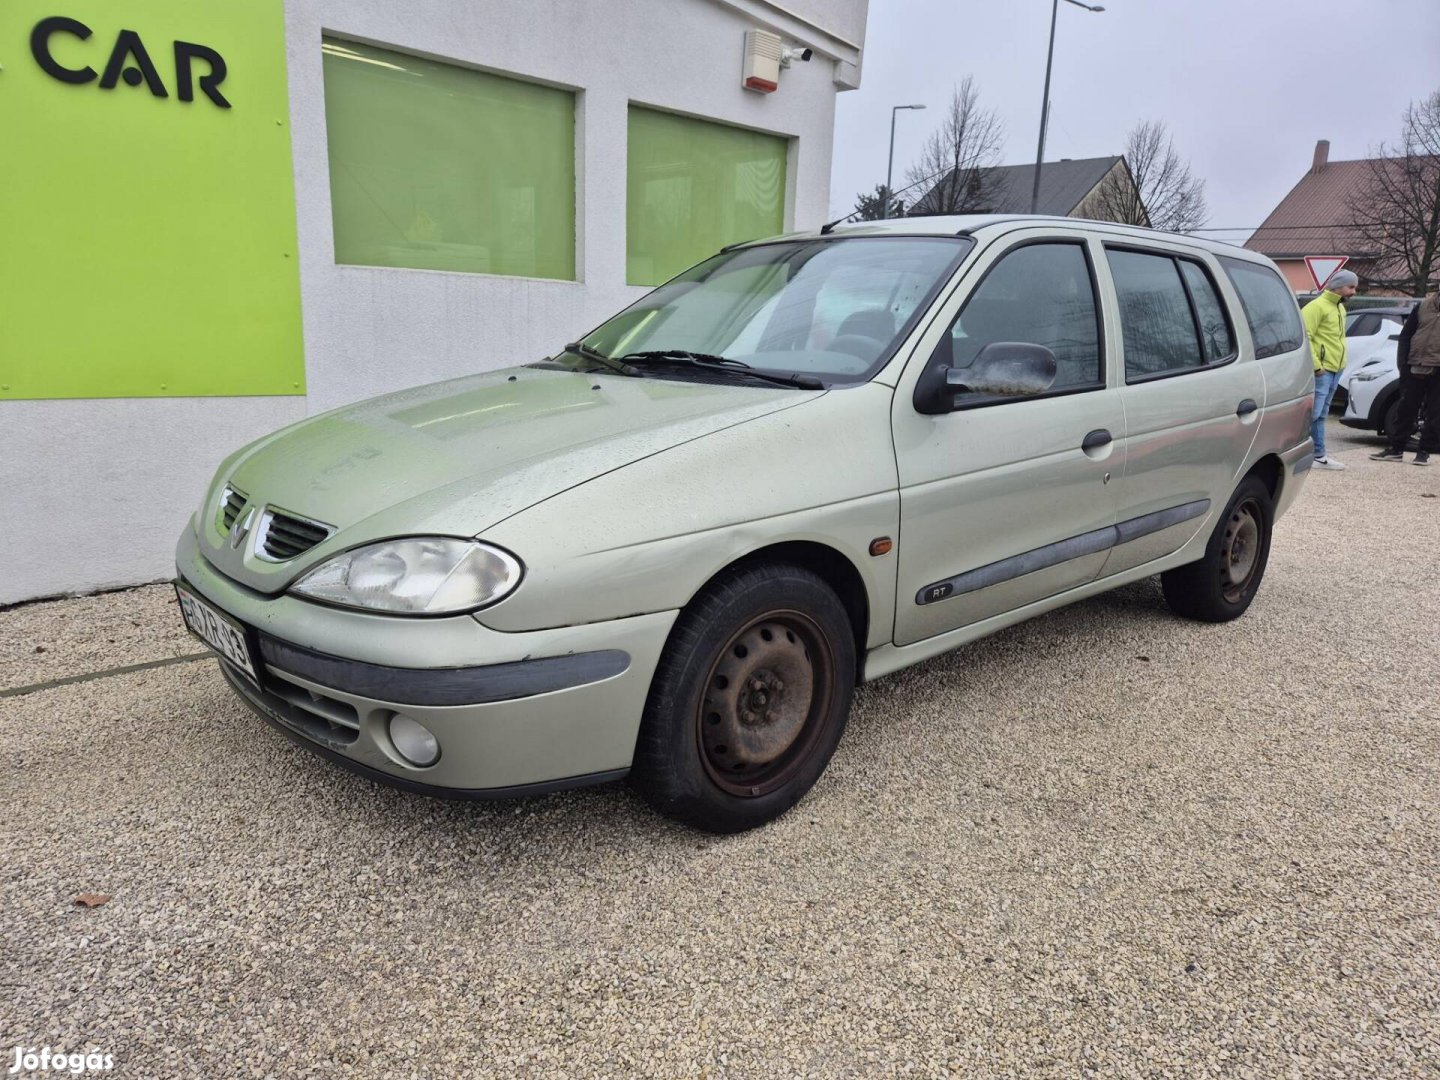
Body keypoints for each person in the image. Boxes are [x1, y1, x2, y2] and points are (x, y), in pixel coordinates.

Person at [1370, 289, 1440, 466]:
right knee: (1405, 409)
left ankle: (1424, 452)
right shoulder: (1423, 306)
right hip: (1415, 365)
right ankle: (1396, 449)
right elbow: (1406, 335)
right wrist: (1403, 364)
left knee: (1435, 414)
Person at [1302, 269, 1359, 470]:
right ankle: (1308, 456)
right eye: (1351, 287)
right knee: (1314, 414)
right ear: (1338, 286)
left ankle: (1318, 455)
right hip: (1323, 370)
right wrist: (1317, 366)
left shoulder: (1340, 309)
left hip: (1335, 369)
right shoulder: (1316, 307)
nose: (1354, 292)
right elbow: (1305, 336)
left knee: (1321, 414)